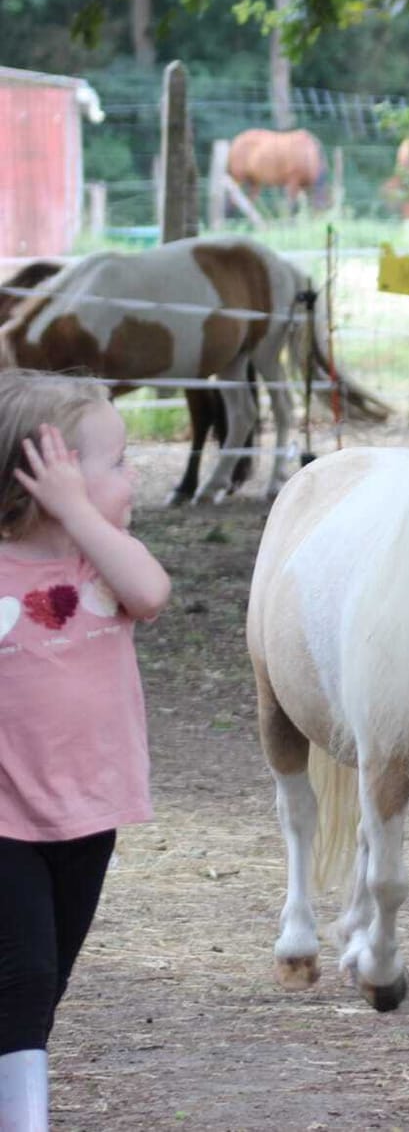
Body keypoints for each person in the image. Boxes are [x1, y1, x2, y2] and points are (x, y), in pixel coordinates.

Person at [0, 372, 171, 1132]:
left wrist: (78, 511)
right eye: (117, 461)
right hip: (6, 817)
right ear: (44, 474)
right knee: (25, 976)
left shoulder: (104, 563)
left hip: (88, 812)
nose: (133, 476)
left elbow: (153, 591)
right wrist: (68, 501)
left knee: (46, 980)